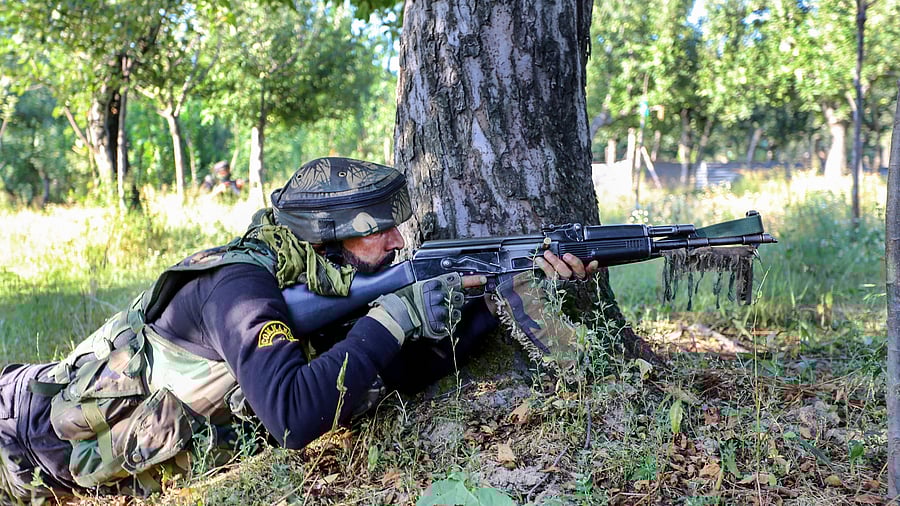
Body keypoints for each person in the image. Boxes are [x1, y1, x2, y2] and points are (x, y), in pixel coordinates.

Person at [0, 157, 596, 503]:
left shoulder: (323, 285)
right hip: (19, 429)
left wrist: (498, 298)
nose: (398, 241)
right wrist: (395, 314)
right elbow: (292, 416)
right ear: (327, 236)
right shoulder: (238, 289)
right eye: (379, 230)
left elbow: (396, 371)